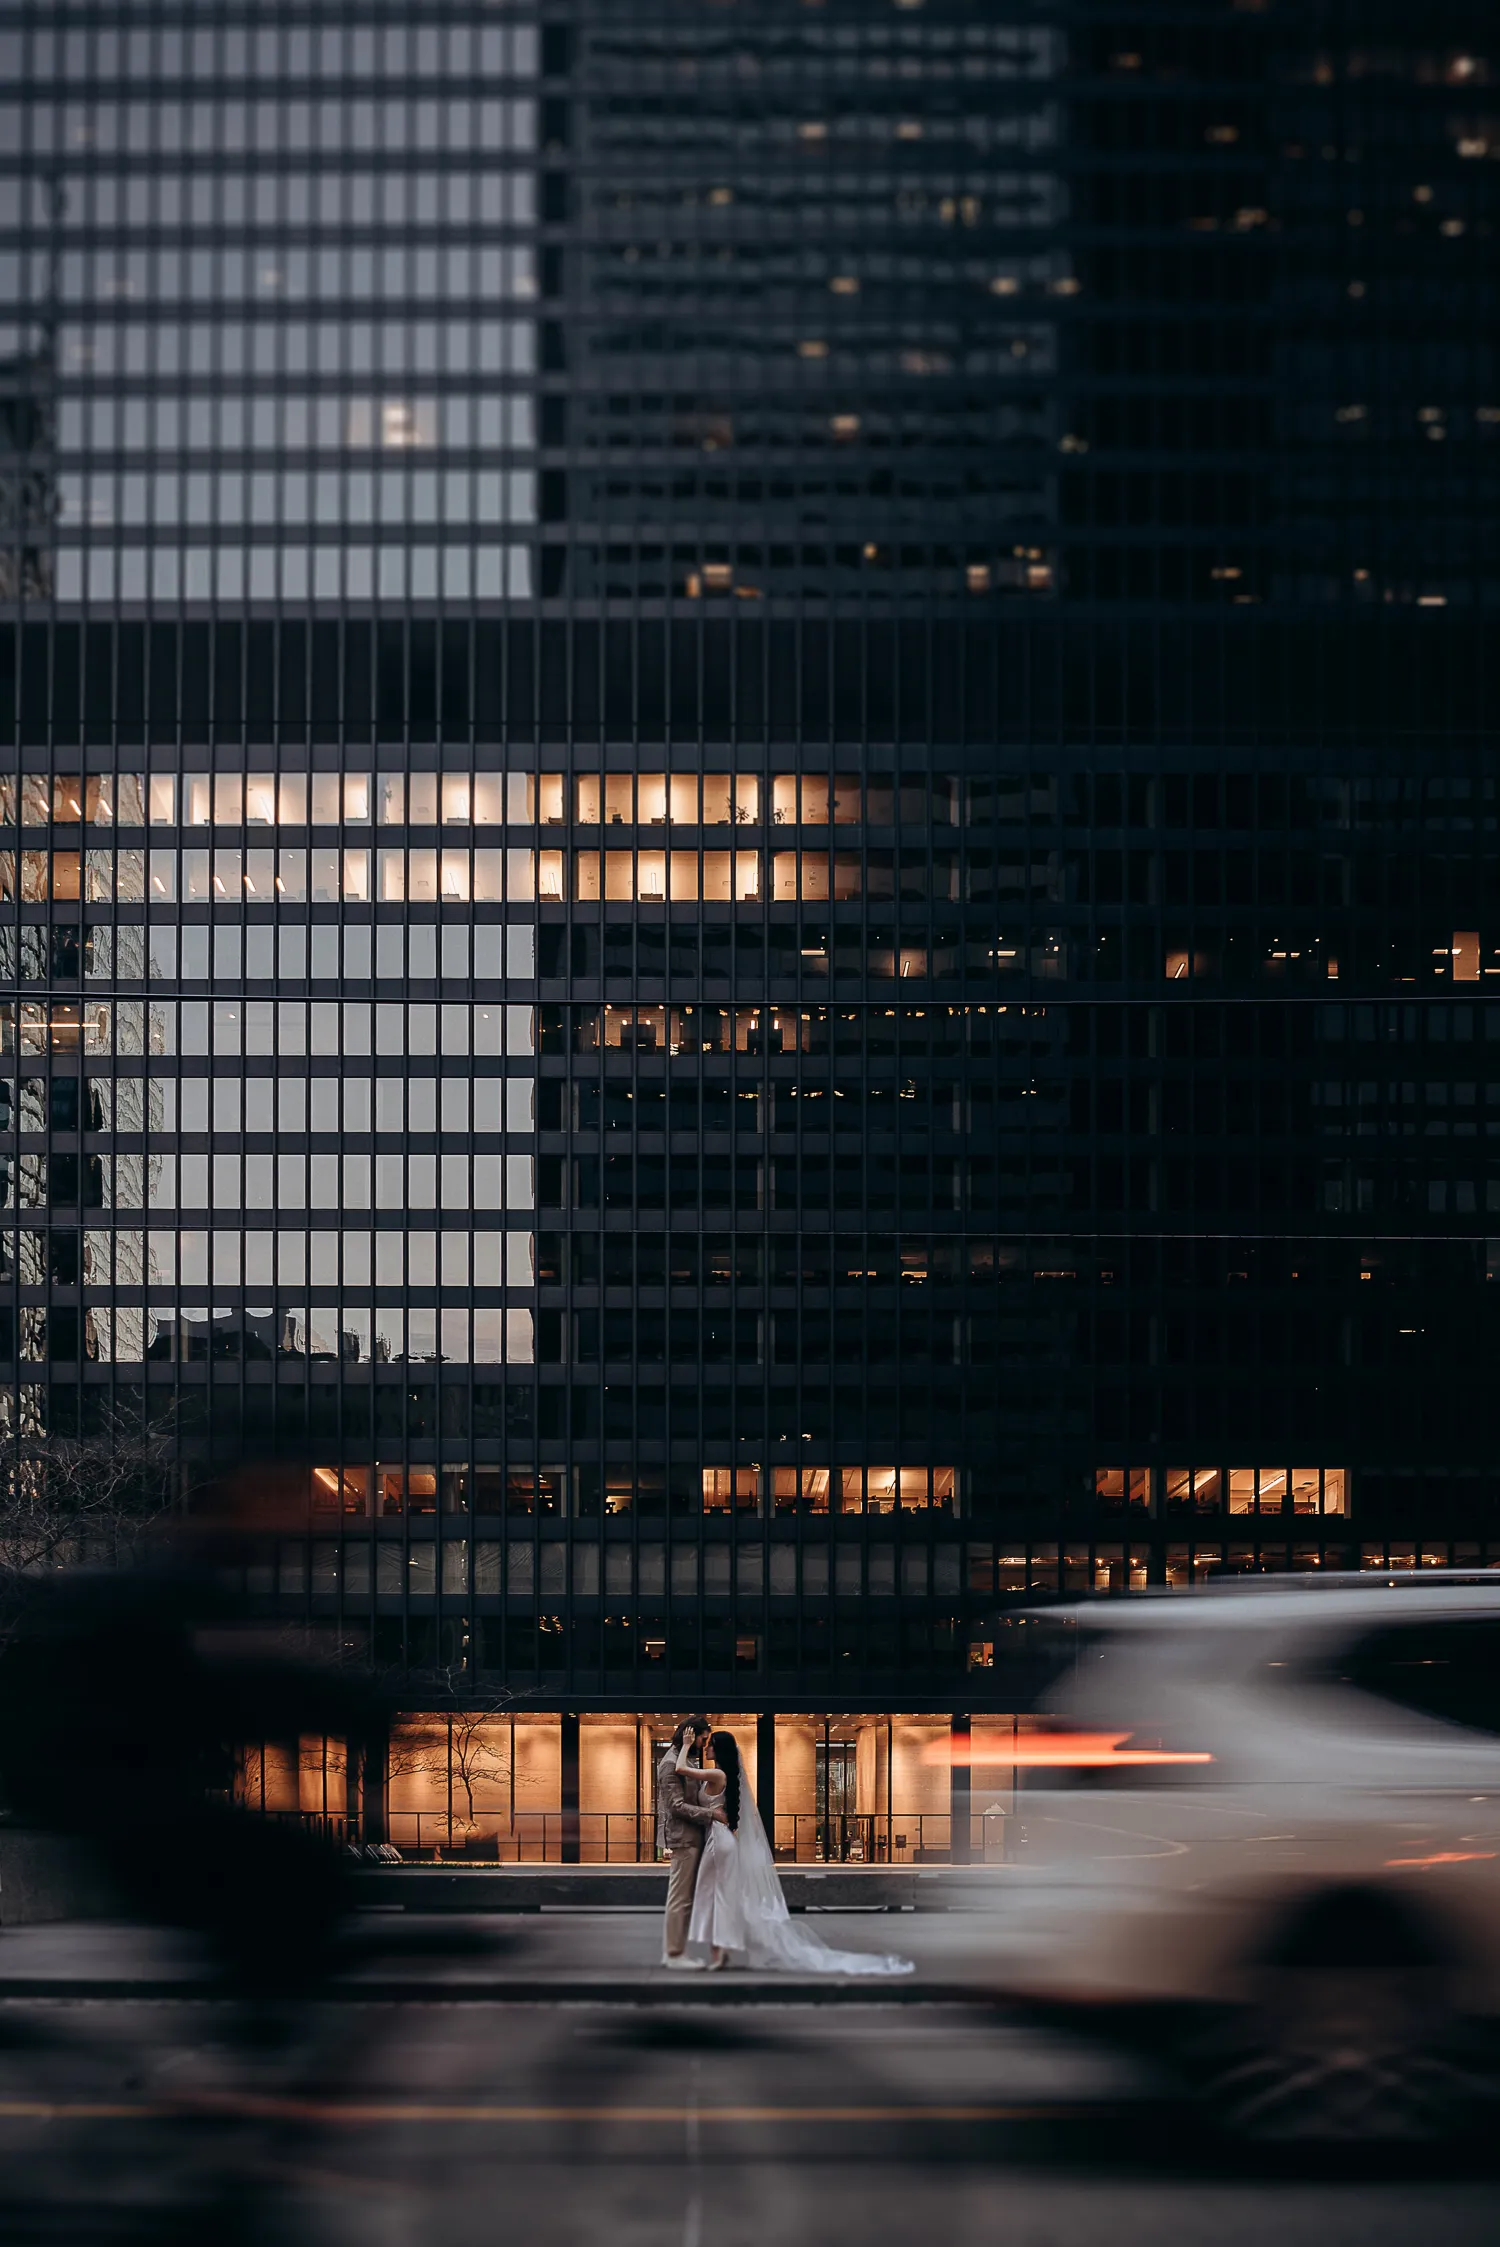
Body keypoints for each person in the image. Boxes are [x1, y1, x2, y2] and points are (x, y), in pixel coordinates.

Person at [678, 1729, 913, 1976]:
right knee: (720, 1897)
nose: (706, 1748)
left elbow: (681, 1768)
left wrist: (685, 1745)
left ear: (720, 1749)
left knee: (717, 1897)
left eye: (710, 1744)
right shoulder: (719, 1775)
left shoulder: (716, 1774)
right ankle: (721, 1951)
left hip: (718, 1843)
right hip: (720, 1840)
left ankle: (720, 1953)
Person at [656, 1715, 722, 1969]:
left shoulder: (684, 1759)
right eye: (704, 1738)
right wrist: (711, 1814)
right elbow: (676, 1806)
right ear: (691, 1735)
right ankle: (673, 1954)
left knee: (685, 1898)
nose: (706, 1744)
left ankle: (676, 1951)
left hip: (693, 1836)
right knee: (680, 1897)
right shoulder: (671, 1763)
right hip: (684, 1838)